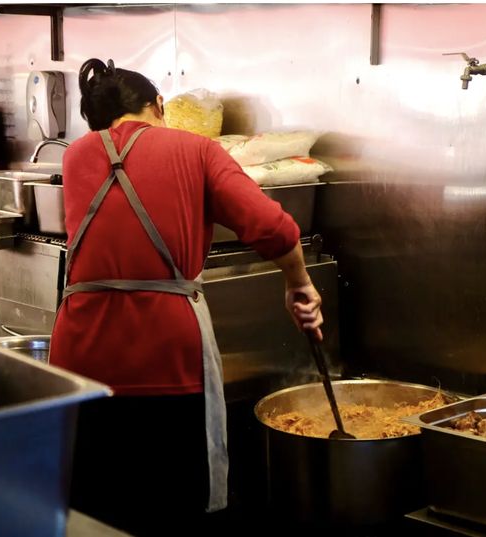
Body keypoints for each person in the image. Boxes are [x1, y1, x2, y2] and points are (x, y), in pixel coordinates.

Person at [49, 58, 324, 536]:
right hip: (167, 358)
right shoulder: (196, 149)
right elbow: (274, 228)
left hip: (80, 359)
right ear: (158, 105)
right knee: (170, 509)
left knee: (94, 510)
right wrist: (299, 283)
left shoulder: (74, 156)